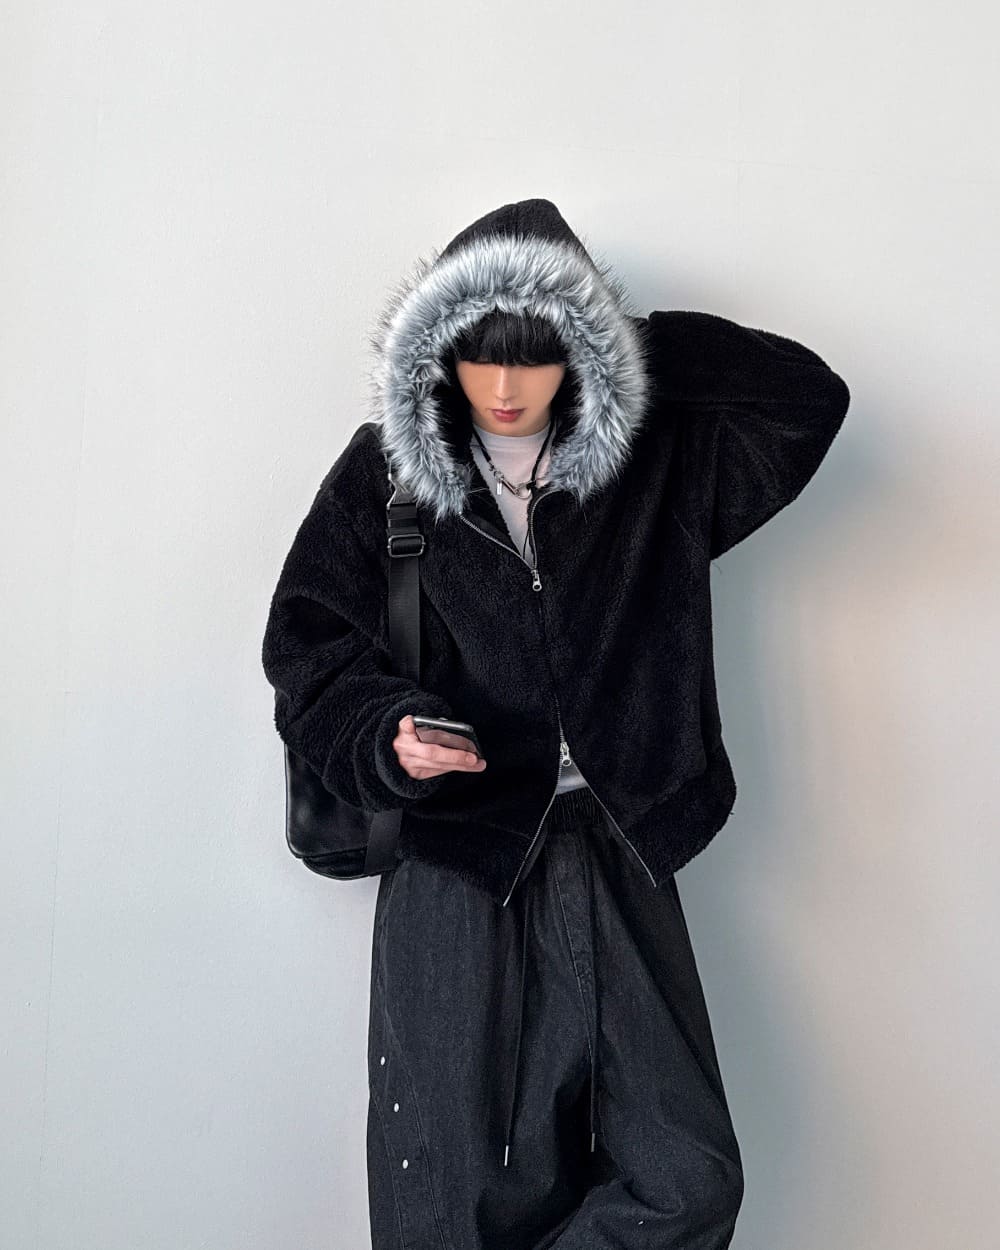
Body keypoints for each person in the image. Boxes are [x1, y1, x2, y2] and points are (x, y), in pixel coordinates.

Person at [261, 198, 851, 1249]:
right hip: (458, 861)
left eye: (532, 354)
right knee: (454, 1202)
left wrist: (622, 341)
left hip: (620, 841)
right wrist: (388, 732)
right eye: (476, 353)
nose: (502, 387)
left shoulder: (651, 461)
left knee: (686, 1177)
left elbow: (807, 401)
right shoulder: (386, 472)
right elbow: (308, 651)